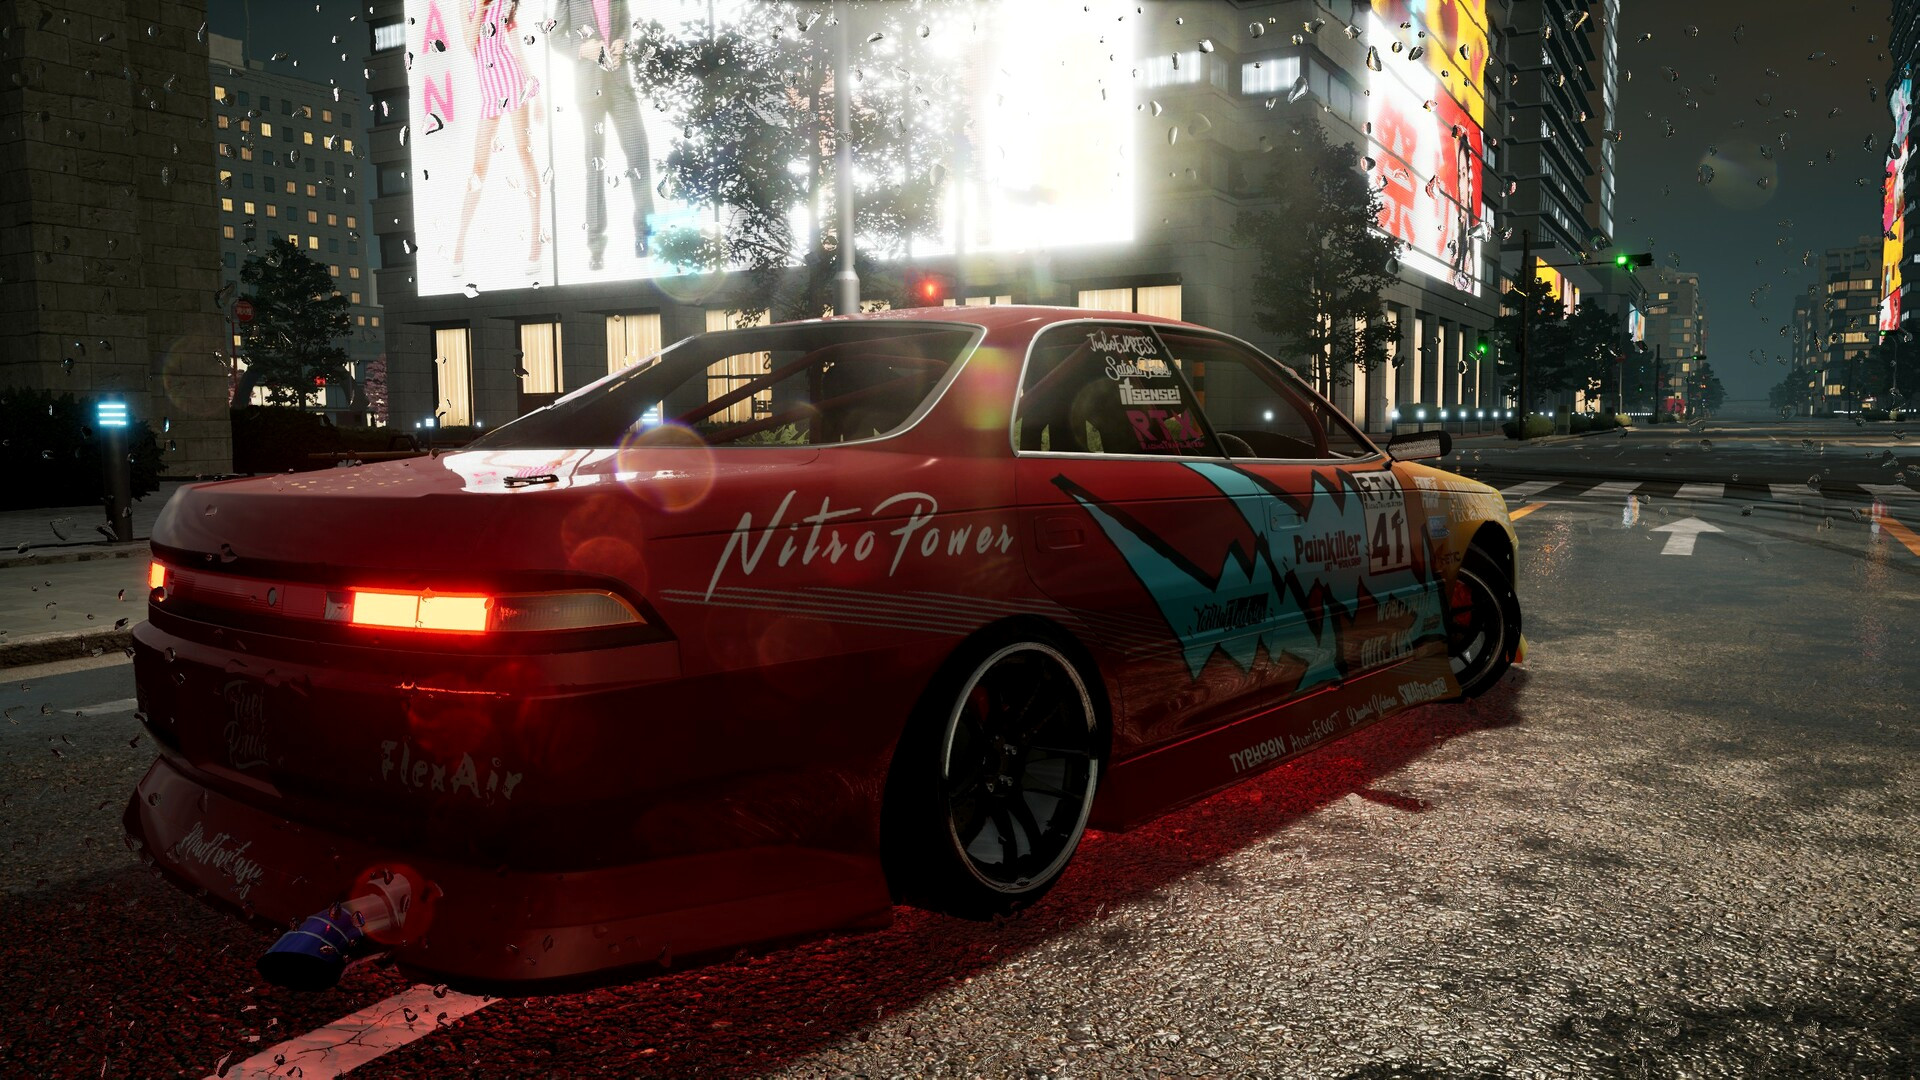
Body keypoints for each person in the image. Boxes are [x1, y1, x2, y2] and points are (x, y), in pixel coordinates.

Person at [556, 0, 656, 269]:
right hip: (589, 88)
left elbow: (624, 23)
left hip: (620, 83)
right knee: (595, 166)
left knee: (639, 154)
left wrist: (623, 42)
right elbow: (554, 38)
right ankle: (596, 246)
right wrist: (582, 50)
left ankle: (646, 237)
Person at [449, 0, 544, 281]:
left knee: (524, 154)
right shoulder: (466, 4)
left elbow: (516, 45)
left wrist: (535, 89)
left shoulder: (505, 3)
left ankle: (535, 242)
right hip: (489, 91)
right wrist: (479, 7)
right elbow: (470, 45)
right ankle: (458, 245)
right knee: (478, 169)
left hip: (512, 82)